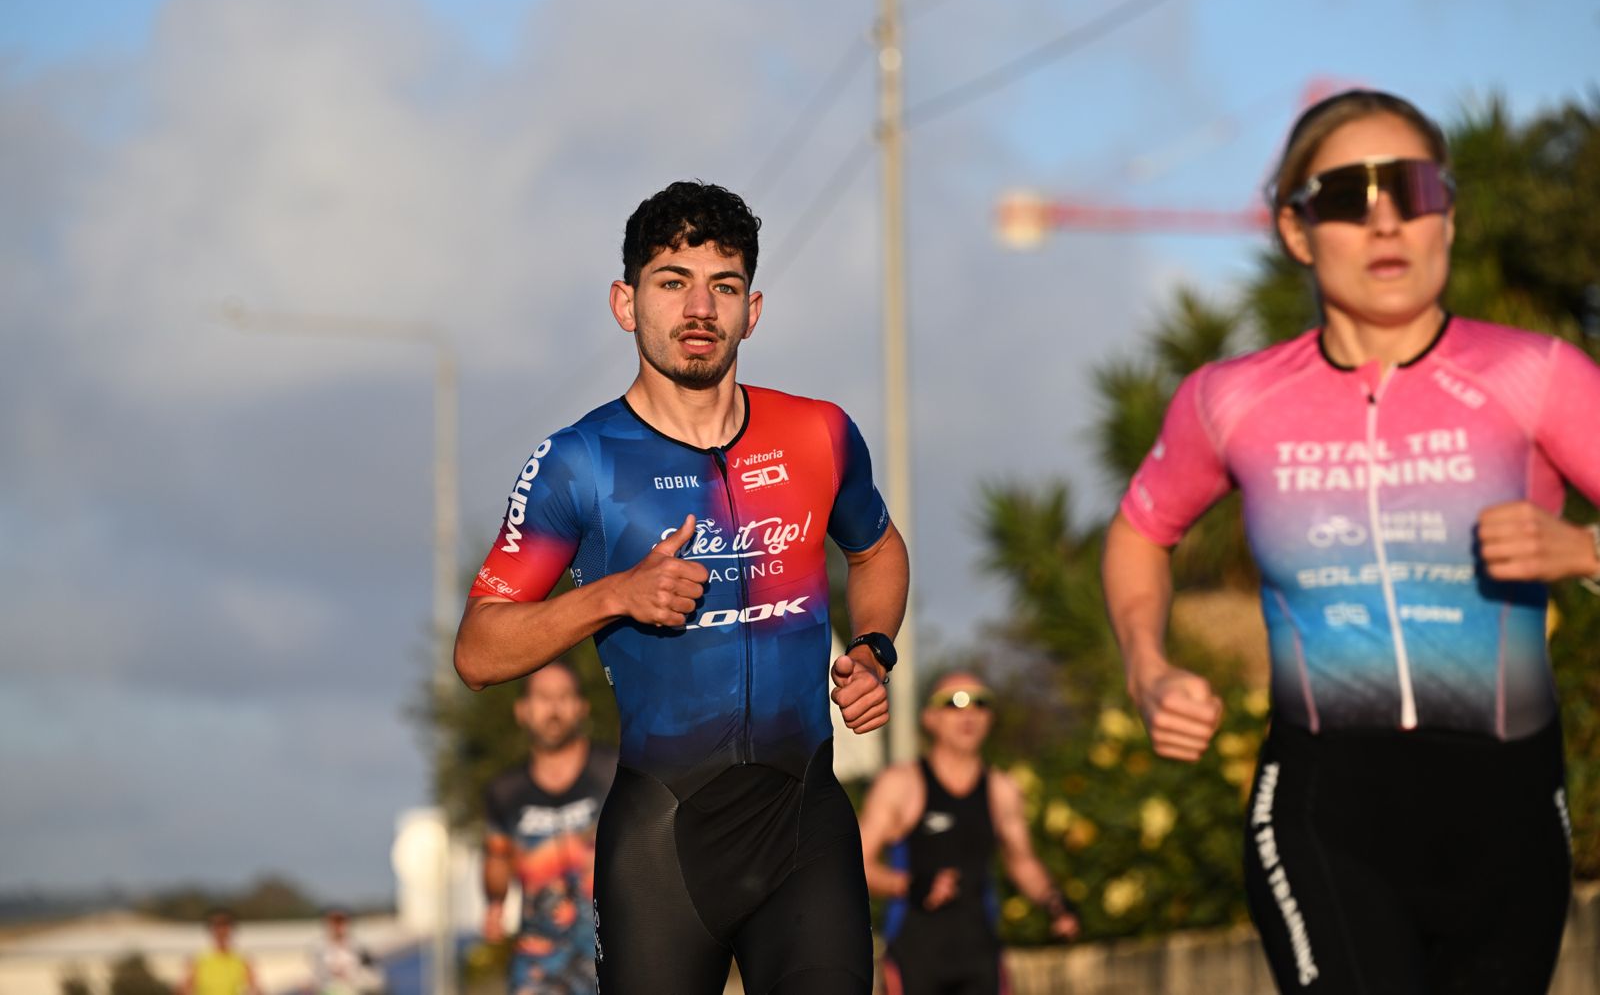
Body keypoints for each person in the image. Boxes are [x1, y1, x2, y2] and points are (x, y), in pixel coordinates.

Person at [1102, 88, 1600, 993]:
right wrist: (1148, 668)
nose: (1385, 221)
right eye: (1347, 196)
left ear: (1448, 214)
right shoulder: (1232, 399)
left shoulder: (1536, 376)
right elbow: (1142, 530)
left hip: (1510, 811)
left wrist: (1583, 553)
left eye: (1413, 189)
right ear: (1297, 230)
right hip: (1325, 807)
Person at [454, 180, 910, 995]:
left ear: (752, 310)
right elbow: (479, 651)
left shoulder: (819, 433)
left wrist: (874, 649)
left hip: (804, 827)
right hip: (662, 844)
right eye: (672, 282)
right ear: (625, 303)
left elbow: (876, 551)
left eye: (724, 287)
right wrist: (614, 595)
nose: (700, 308)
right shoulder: (579, 462)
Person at [859, 671, 1078, 995]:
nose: (969, 714)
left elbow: (1022, 862)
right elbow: (857, 865)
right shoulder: (901, 784)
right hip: (915, 958)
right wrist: (908, 885)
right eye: (954, 703)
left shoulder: (1001, 789)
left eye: (980, 703)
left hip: (981, 958)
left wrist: (1055, 902)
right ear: (930, 718)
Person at [481, 662, 615, 995]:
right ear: (522, 711)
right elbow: (496, 868)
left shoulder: (614, 771)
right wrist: (495, 901)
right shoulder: (504, 791)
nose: (553, 709)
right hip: (538, 960)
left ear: (581, 707)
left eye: (564, 697)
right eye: (543, 698)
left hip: (613, 952)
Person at [180, 909, 259, 995]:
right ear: (211, 930)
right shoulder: (197, 959)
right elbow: (185, 988)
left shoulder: (242, 959)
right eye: (217, 926)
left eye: (225, 925)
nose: (221, 930)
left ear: (231, 929)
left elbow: (255, 988)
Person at [308, 907, 380, 995]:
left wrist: (352, 977)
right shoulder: (318, 948)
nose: (337, 927)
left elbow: (374, 976)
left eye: (340, 921)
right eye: (333, 922)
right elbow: (313, 976)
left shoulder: (358, 947)